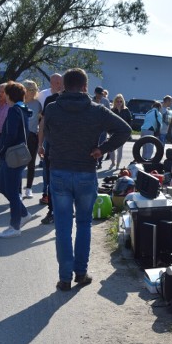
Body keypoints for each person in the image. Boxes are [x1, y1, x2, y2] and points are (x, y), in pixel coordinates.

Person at [43, 68, 131, 291]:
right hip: (85, 172)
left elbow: (48, 137)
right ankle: (80, 273)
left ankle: (64, 278)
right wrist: (103, 149)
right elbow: (125, 130)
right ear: (85, 87)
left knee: (62, 227)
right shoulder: (97, 110)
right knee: (83, 224)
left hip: (59, 172)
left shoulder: (52, 109)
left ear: (63, 85)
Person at [0, 82, 35, 238]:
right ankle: (24, 214)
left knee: (11, 190)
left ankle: (15, 226)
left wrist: (2, 149)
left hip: (12, 154)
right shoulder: (22, 108)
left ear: (9, 94)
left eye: (5, 93)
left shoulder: (14, 110)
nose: (3, 95)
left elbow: (11, 134)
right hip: (18, 154)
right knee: (4, 186)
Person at [37, 73, 63, 207]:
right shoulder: (48, 99)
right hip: (50, 142)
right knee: (47, 169)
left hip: (66, 145)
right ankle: (46, 194)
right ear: (51, 83)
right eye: (56, 82)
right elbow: (42, 123)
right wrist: (40, 144)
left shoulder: (77, 101)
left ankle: (60, 203)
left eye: (61, 82)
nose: (59, 85)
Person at [23, 80, 42, 199]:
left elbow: (41, 122)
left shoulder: (37, 104)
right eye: (26, 89)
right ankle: (18, 191)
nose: (29, 92)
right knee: (18, 163)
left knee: (31, 163)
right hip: (20, 136)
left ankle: (29, 188)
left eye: (31, 90)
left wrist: (40, 142)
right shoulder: (18, 103)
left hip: (32, 136)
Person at [109, 93, 132, 168]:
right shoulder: (112, 110)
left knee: (120, 149)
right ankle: (113, 162)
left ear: (123, 102)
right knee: (111, 148)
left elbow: (129, 121)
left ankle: (118, 165)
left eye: (120, 101)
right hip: (113, 132)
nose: (119, 103)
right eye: (117, 101)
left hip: (122, 132)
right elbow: (108, 121)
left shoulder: (126, 110)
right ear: (115, 102)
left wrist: (128, 131)